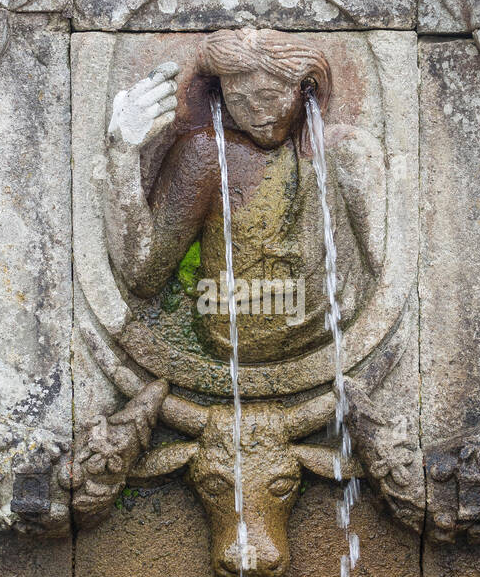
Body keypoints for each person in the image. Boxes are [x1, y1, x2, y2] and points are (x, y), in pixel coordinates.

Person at [103, 28, 384, 362]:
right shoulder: (207, 154)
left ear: (306, 88)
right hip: (224, 350)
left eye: (267, 96)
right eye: (238, 101)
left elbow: (382, 270)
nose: (256, 113)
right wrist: (122, 153)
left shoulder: (346, 153)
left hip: (329, 345)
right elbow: (144, 275)